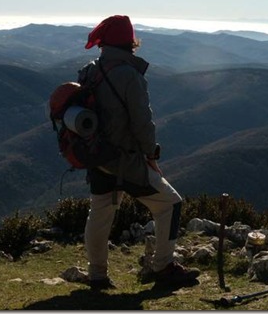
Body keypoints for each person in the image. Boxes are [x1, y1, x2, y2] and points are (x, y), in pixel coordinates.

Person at [77, 15, 200, 290]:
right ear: (131, 43)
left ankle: (97, 274)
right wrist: (150, 156)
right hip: (126, 161)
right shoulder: (130, 76)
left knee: (99, 213)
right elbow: (142, 123)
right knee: (171, 203)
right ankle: (163, 267)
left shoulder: (90, 71)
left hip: (96, 157)